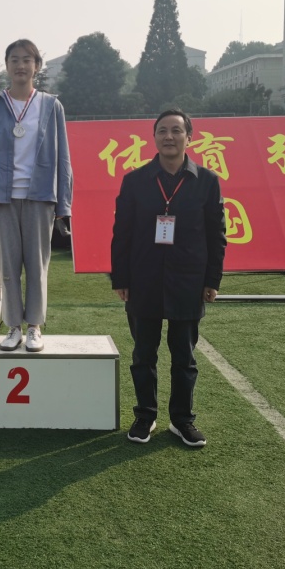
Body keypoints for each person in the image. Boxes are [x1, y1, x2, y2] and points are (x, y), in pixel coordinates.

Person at [110, 109, 227, 448]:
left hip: (188, 280)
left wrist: (212, 280)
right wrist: (121, 278)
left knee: (184, 357)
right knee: (143, 354)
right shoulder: (135, 181)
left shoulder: (206, 181)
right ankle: (145, 416)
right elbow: (122, 233)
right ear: (154, 137)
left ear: (189, 137)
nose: (169, 137)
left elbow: (216, 235)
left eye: (176, 130)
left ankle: (182, 420)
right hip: (143, 279)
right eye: (162, 130)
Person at [0, 39, 73, 353]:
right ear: (7, 66)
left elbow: (63, 157)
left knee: (37, 264)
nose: (20, 65)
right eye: (14, 59)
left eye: (27, 60)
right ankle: (13, 326)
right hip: (2, 199)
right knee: (8, 265)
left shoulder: (51, 106)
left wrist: (63, 202)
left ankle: (34, 327)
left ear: (37, 67)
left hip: (40, 197)